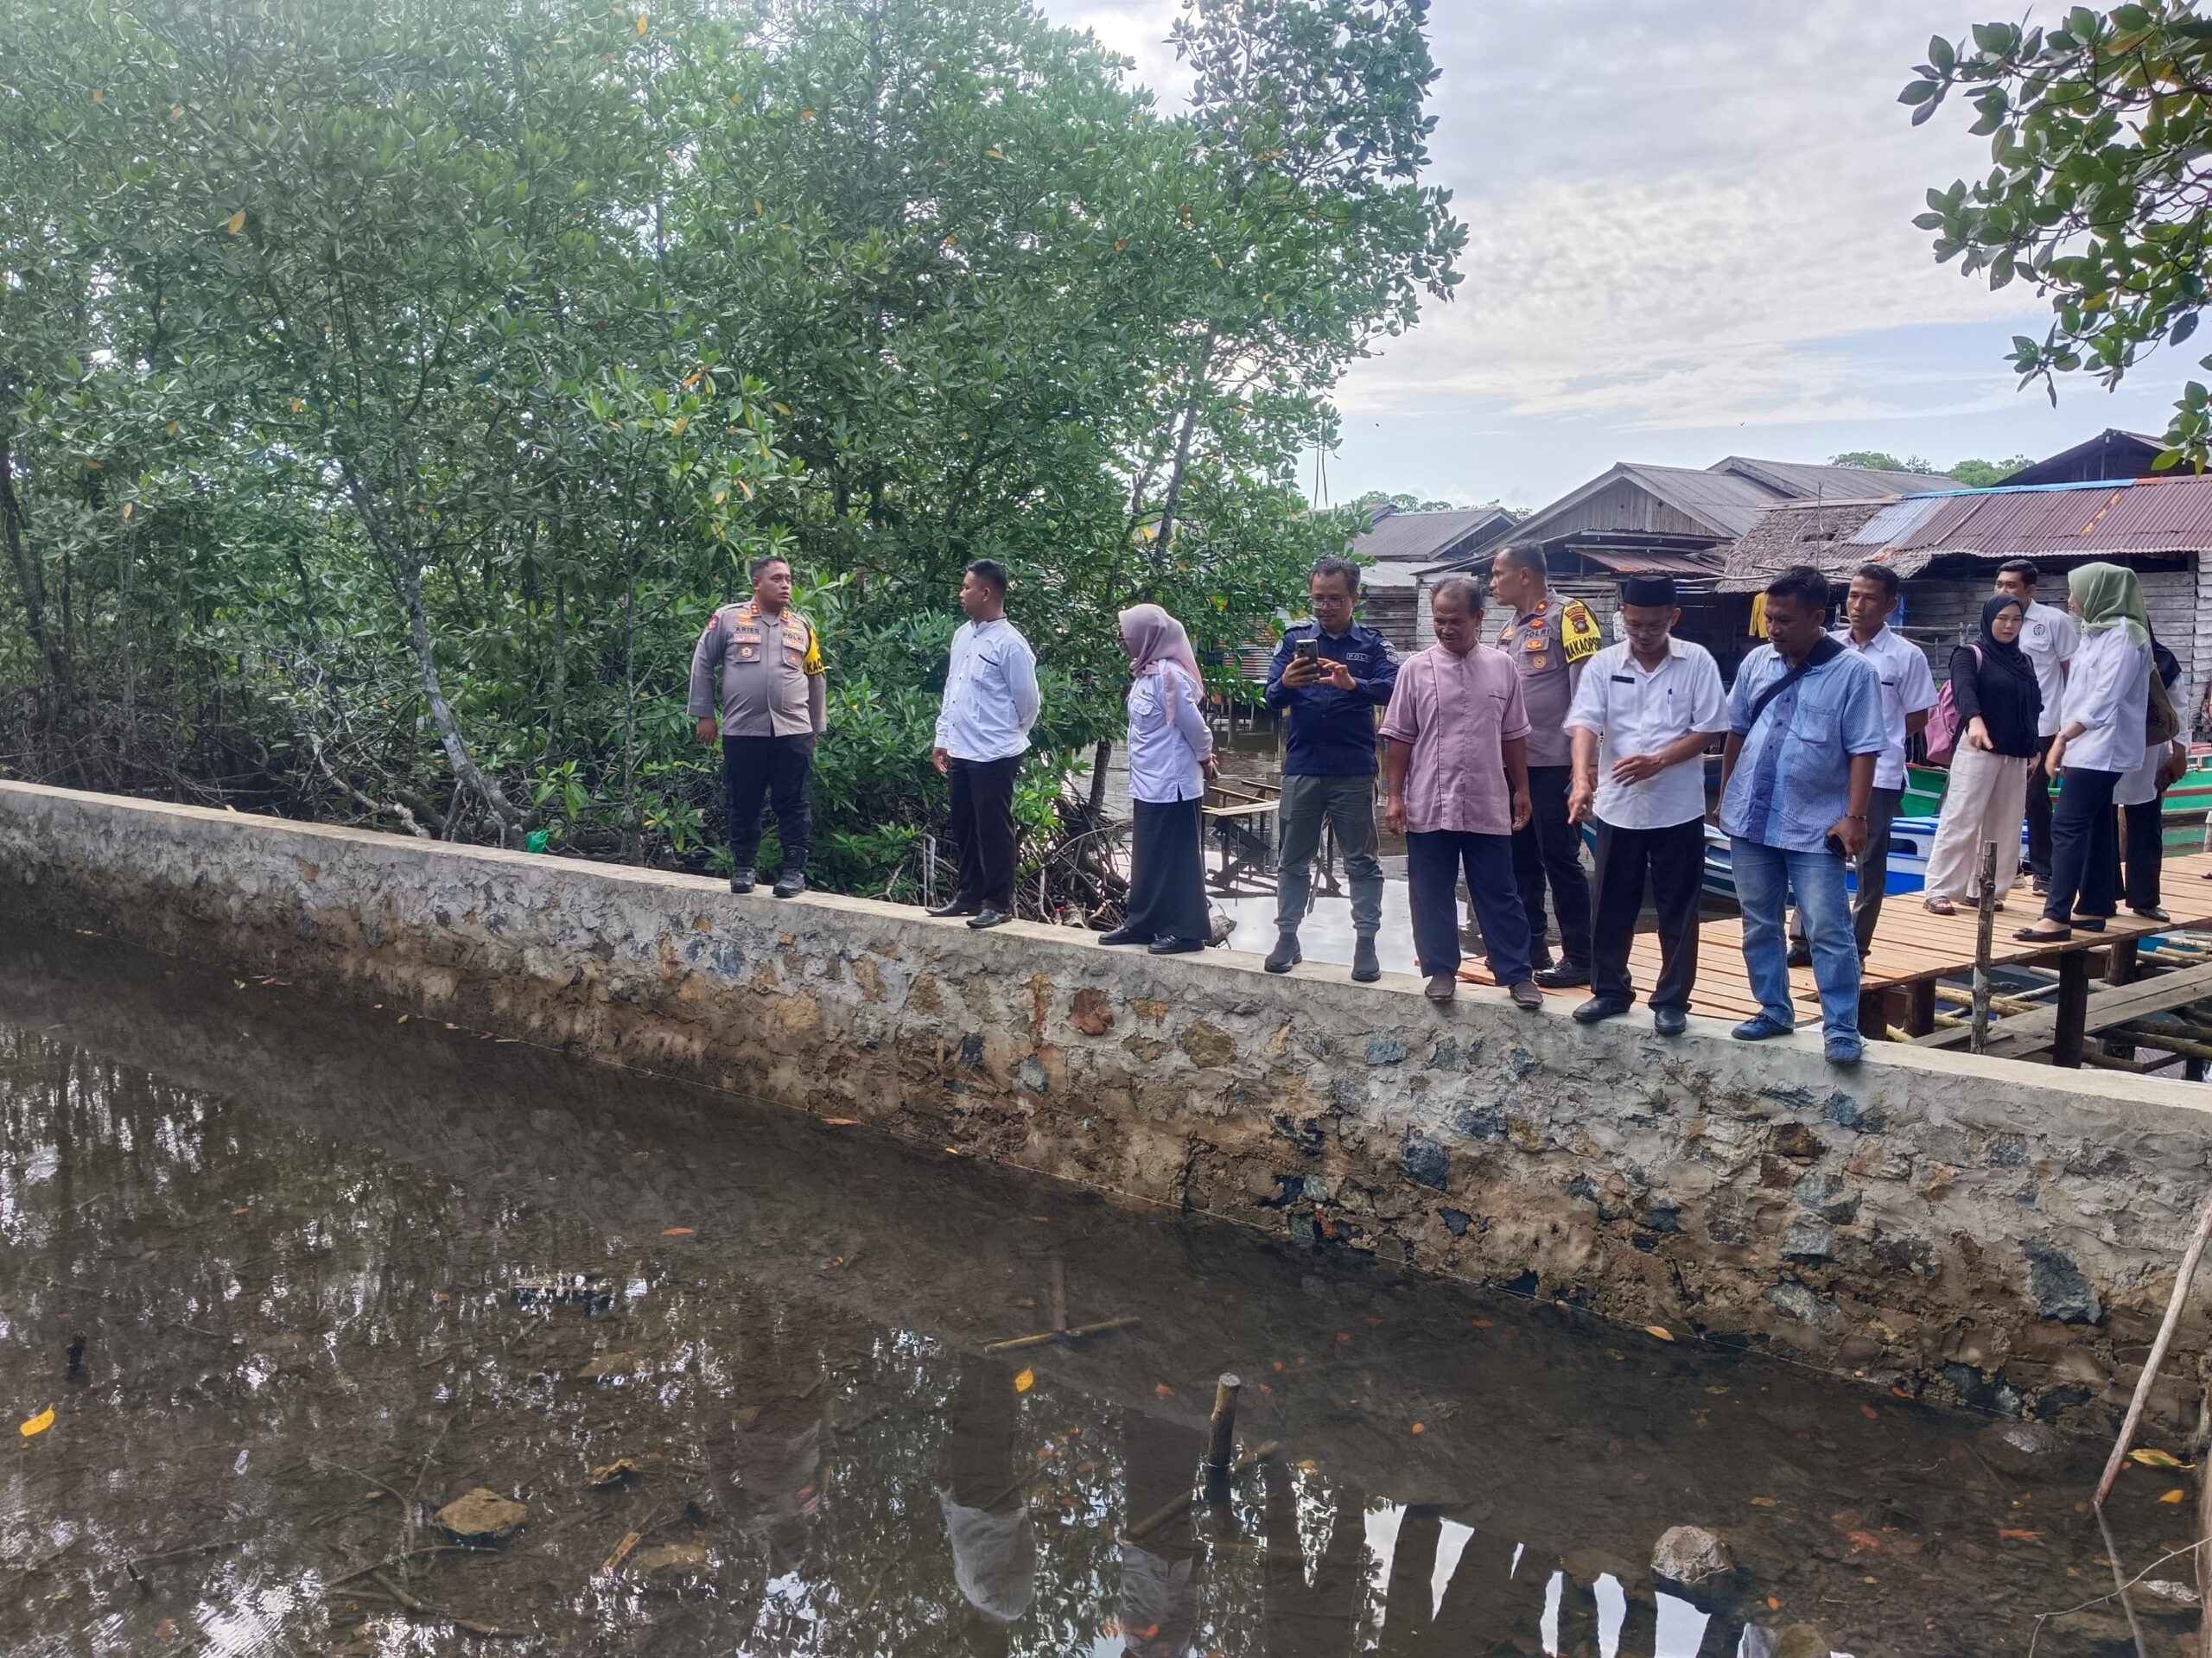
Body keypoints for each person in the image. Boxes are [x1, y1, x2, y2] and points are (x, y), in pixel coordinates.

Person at [1719, 565, 1887, 1066]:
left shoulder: (1855, 673)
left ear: (1818, 617)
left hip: (1815, 824)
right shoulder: (1756, 664)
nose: (1774, 628)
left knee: (1827, 927)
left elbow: (1864, 750)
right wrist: (1728, 791)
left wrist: (1855, 817)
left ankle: (1841, 1027)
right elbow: (1737, 730)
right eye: (1770, 618)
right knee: (1757, 921)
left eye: (1786, 620)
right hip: (1752, 817)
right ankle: (1774, 1009)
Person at [1563, 573, 1728, 1035]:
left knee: (1679, 906)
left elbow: (1710, 727)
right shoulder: (1604, 663)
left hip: (1678, 808)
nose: (1642, 634)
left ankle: (1673, 1000)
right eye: (1634, 624)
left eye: (1653, 625)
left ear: (1672, 618)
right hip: (1618, 806)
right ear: (1623, 617)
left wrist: (1659, 761)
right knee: (1612, 903)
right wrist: (1581, 779)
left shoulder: (1696, 662)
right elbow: (1584, 724)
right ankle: (1610, 991)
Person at [1380, 575, 1541, 1010]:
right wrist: (1394, 796)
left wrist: (1522, 788)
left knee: (1499, 890)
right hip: (1430, 800)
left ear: (1478, 618)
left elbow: (1513, 735)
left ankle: (1516, 974)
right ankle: (1440, 970)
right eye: (1439, 621)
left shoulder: (1503, 667)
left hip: (1489, 797)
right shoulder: (1415, 669)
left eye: (1455, 621)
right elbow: (1399, 739)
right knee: (1431, 888)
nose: (1446, 629)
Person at [1787, 562, 1936, 958]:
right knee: (1813, 849)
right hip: (1822, 769)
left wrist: (1873, 740)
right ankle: (1802, 939)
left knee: (1869, 860)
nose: (1858, 604)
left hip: (1880, 772)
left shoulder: (1907, 656)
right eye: (1853, 595)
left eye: (1870, 598)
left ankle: (1856, 944)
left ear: (1890, 604)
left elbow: (1919, 715)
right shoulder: (1825, 645)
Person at [1260, 556, 1399, 981]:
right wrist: (1287, 683)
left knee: (1361, 861)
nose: (1324, 607)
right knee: (1292, 859)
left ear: (1354, 598)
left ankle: (1366, 944)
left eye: (1335, 599)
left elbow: (1395, 687)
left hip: (1352, 770)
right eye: (1318, 598)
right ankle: (1287, 937)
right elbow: (1269, 697)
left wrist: (1353, 685)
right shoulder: (1295, 640)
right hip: (1302, 767)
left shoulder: (1373, 645)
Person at [2016, 564, 2153, 943]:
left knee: (2067, 825)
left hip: (2102, 746)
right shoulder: (2095, 632)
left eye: (2076, 591)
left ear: (2099, 592)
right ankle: (2093, 906)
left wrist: (2062, 738)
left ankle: (2055, 915)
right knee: (2093, 823)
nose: (2070, 599)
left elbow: (2106, 696)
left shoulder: (2126, 635)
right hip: (2084, 744)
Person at [1489, 544, 1603, 988]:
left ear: (1524, 575)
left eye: (1498, 574)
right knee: (1519, 861)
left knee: (1560, 859)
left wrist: (1585, 768)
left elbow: (1587, 697)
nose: (1492, 582)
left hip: (1556, 762)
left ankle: (1582, 956)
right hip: (1514, 765)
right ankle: (1530, 948)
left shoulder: (1569, 617)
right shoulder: (1507, 628)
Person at [690, 553, 825, 898]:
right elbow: (703, 662)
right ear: (756, 584)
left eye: (789, 579)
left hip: (792, 731)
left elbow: (816, 677)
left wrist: (814, 728)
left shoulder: (802, 626)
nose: (785, 585)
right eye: (777, 578)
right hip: (742, 731)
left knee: (794, 803)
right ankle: (744, 869)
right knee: (743, 801)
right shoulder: (728, 619)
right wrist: (705, 714)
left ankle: (793, 873)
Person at [929, 559, 1041, 931]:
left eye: (966, 587)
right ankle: (968, 895)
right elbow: (953, 689)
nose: (961, 594)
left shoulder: (1011, 644)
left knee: (994, 827)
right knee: (962, 822)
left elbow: (1029, 703)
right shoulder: (963, 635)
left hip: (995, 751)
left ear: (986, 593)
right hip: (961, 747)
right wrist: (942, 738)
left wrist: (1007, 736)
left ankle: (998, 901)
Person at [1099, 604, 1218, 954]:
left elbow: (1197, 729)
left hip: (1174, 783)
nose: (1123, 639)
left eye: (1128, 633)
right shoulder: (1143, 675)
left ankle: (1187, 931)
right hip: (1148, 783)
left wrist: (1205, 760)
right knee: (1147, 856)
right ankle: (1143, 924)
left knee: (1178, 857)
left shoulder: (1169, 676)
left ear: (1148, 636)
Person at [1921, 594, 2043, 915]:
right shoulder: (1970, 654)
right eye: (2002, 618)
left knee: (2007, 823)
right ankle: (1940, 889)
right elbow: (1964, 690)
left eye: (2016, 620)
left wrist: (2036, 748)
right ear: (1989, 618)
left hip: (2016, 752)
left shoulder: (2023, 661)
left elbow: (2032, 706)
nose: (2009, 625)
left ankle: (1986, 889)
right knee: (1962, 817)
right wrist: (1975, 721)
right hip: (1979, 748)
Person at [1993, 558, 2080, 894]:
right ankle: (2008, 868)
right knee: (2001, 796)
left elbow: (2072, 674)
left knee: (2034, 797)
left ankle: (2044, 870)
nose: (2003, 591)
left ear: (2030, 590)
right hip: (2003, 725)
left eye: (2010, 585)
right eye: (1999, 584)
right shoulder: (1994, 620)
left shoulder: (2054, 622)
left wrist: (2067, 729)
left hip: (2044, 725)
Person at [2114, 634, 2186, 922]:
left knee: (2145, 821)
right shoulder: (2093, 646)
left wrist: (2180, 752)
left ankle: (2144, 898)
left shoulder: (2162, 660)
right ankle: (2101, 895)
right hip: (2099, 748)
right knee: (2099, 826)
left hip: (2148, 750)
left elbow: (2178, 706)